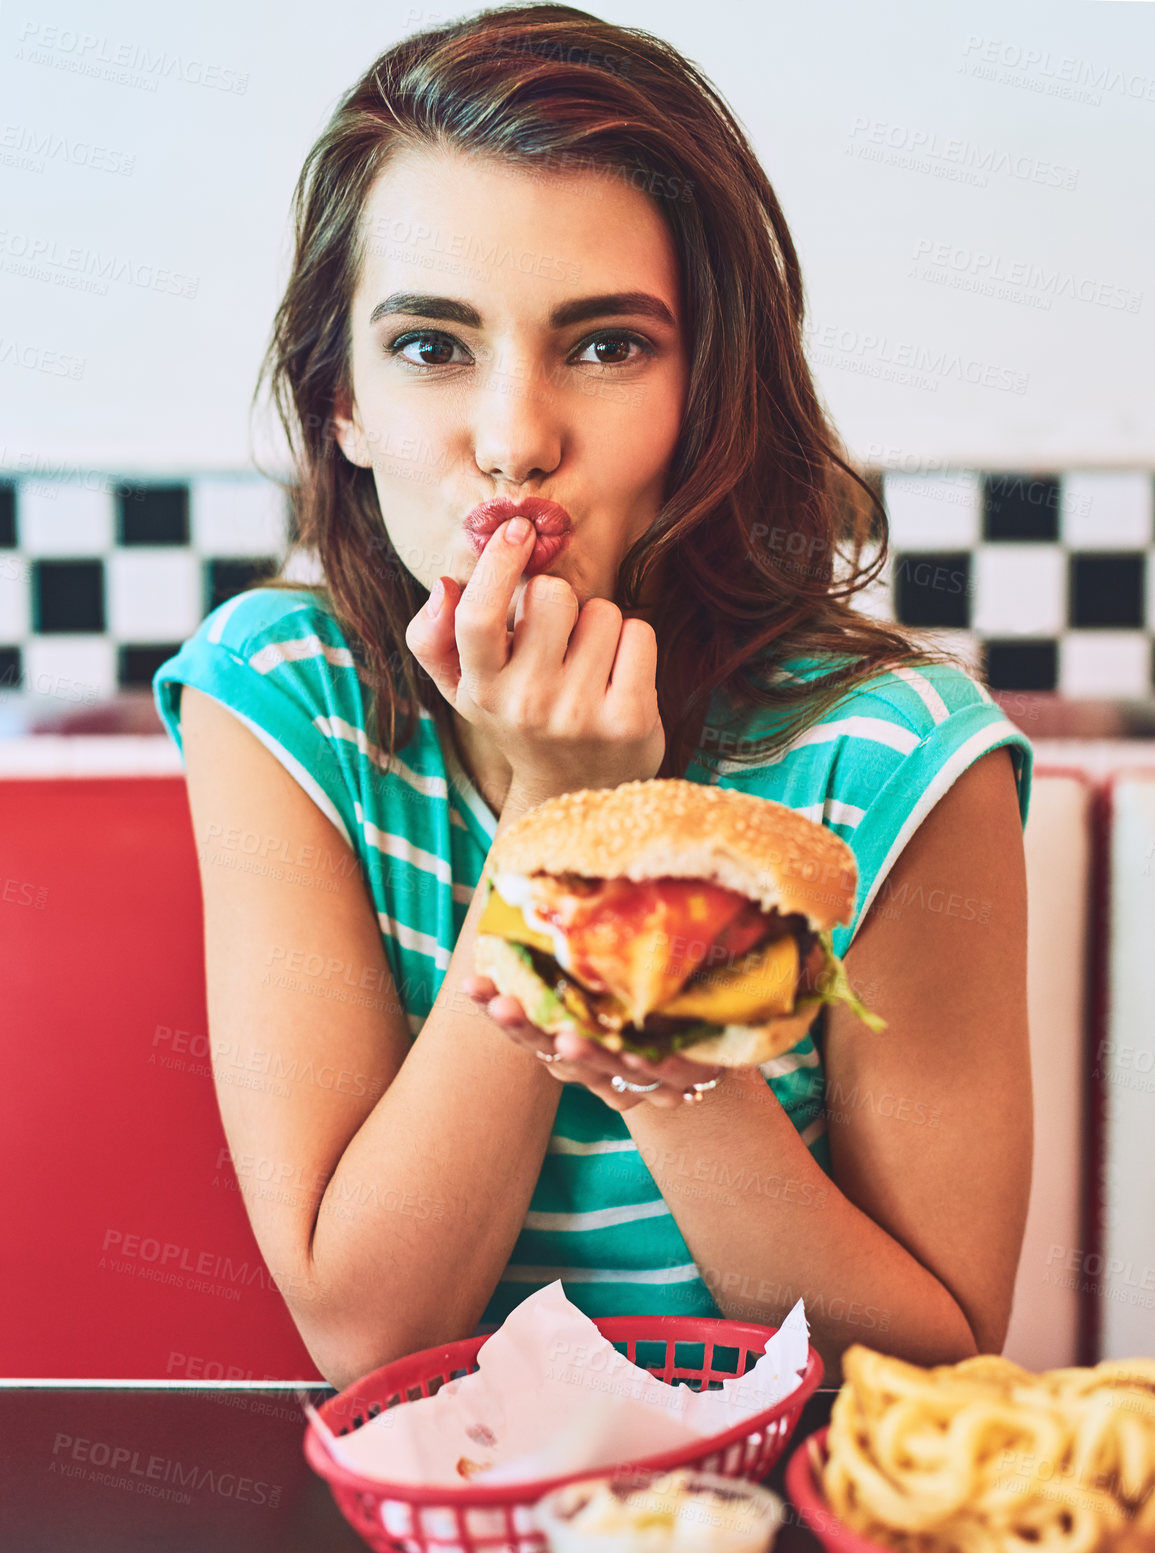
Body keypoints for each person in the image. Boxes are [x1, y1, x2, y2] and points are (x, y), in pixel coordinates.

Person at [153, 4, 1033, 1390]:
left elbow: (935, 1360)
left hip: (789, 1531)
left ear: (709, 386)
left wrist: (630, 934)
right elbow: (371, 1330)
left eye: (608, 344)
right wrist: (556, 811)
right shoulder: (281, 698)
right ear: (342, 400)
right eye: (433, 346)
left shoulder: (897, 757)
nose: (516, 440)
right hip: (438, 1523)